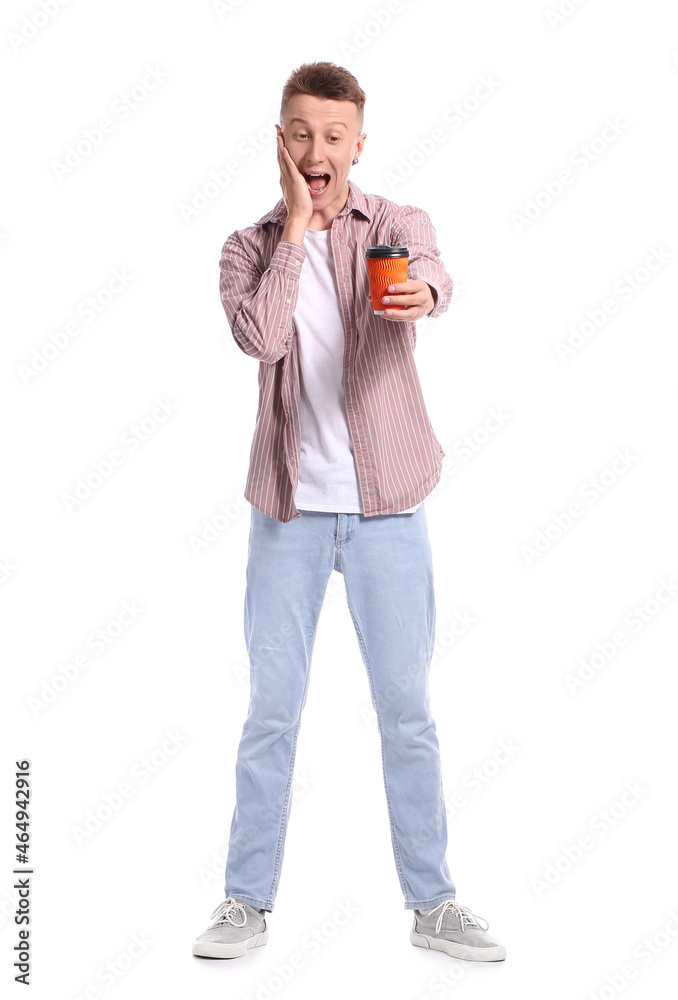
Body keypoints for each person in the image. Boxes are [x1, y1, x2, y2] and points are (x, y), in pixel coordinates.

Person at [192, 61, 506, 964]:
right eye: (300, 132)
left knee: (407, 712)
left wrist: (427, 294)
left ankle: (434, 903)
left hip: (389, 515)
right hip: (287, 515)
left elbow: (436, 277)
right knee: (272, 714)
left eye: (334, 135)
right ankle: (246, 901)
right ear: (281, 141)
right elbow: (259, 336)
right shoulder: (248, 248)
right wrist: (296, 225)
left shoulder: (397, 225)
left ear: (359, 143)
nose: (317, 149)